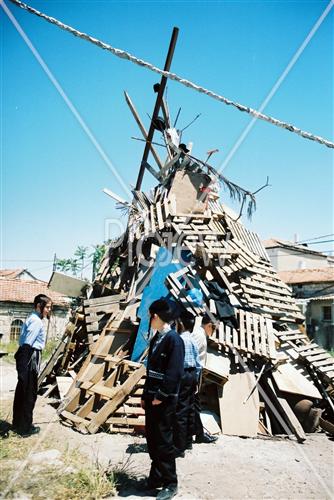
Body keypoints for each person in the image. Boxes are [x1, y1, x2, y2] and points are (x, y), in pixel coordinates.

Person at [141, 298, 185, 500]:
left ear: (156, 316)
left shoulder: (174, 340)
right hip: (152, 398)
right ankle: (156, 477)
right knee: (152, 438)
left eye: (150, 315)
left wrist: (161, 395)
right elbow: (151, 371)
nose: (149, 319)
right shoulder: (156, 339)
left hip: (163, 400)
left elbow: (174, 373)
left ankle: (170, 482)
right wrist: (145, 394)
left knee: (164, 441)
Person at [12, 294, 52, 437]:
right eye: (47, 307)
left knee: (22, 392)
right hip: (29, 358)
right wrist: (24, 367)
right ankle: (25, 428)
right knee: (29, 394)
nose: (48, 310)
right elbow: (28, 344)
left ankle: (18, 423)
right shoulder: (37, 322)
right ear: (38, 306)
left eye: (49, 307)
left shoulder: (32, 318)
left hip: (26, 356)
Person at [173, 311, 201, 457]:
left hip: (182, 374)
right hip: (191, 375)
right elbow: (198, 363)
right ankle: (188, 441)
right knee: (189, 408)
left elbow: (176, 361)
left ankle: (179, 447)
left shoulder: (179, 340)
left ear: (181, 324)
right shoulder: (193, 340)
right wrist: (196, 379)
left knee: (180, 410)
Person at [191, 314, 218, 444]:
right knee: (194, 404)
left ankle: (198, 433)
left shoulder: (200, 334)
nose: (213, 332)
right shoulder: (199, 336)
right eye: (214, 328)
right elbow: (191, 356)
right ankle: (199, 434)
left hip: (195, 373)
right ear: (208, 325)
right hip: (193, 373)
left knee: (194, 404)